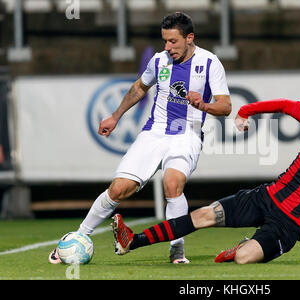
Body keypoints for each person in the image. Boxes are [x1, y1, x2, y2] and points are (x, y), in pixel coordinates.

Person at [112, 89, 300, 264]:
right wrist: (246, 111)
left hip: (289, 223)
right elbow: (284, 105)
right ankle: (132, 241)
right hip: (267, 196)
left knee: (244, 259)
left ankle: (242, 247)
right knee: (203, 215)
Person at [49, 12, 231, 264]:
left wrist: (203, 105)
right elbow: (139, 88)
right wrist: (115, 116)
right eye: (165, 41)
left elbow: (226, 107)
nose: (167, 47)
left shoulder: (210, 63)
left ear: (190, 38)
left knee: (172, 184)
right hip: (153, 133)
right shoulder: (159, 61)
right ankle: (78, 236)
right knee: (118, 189)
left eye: (173, 42)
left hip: (186, 134)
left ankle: (177, 249)